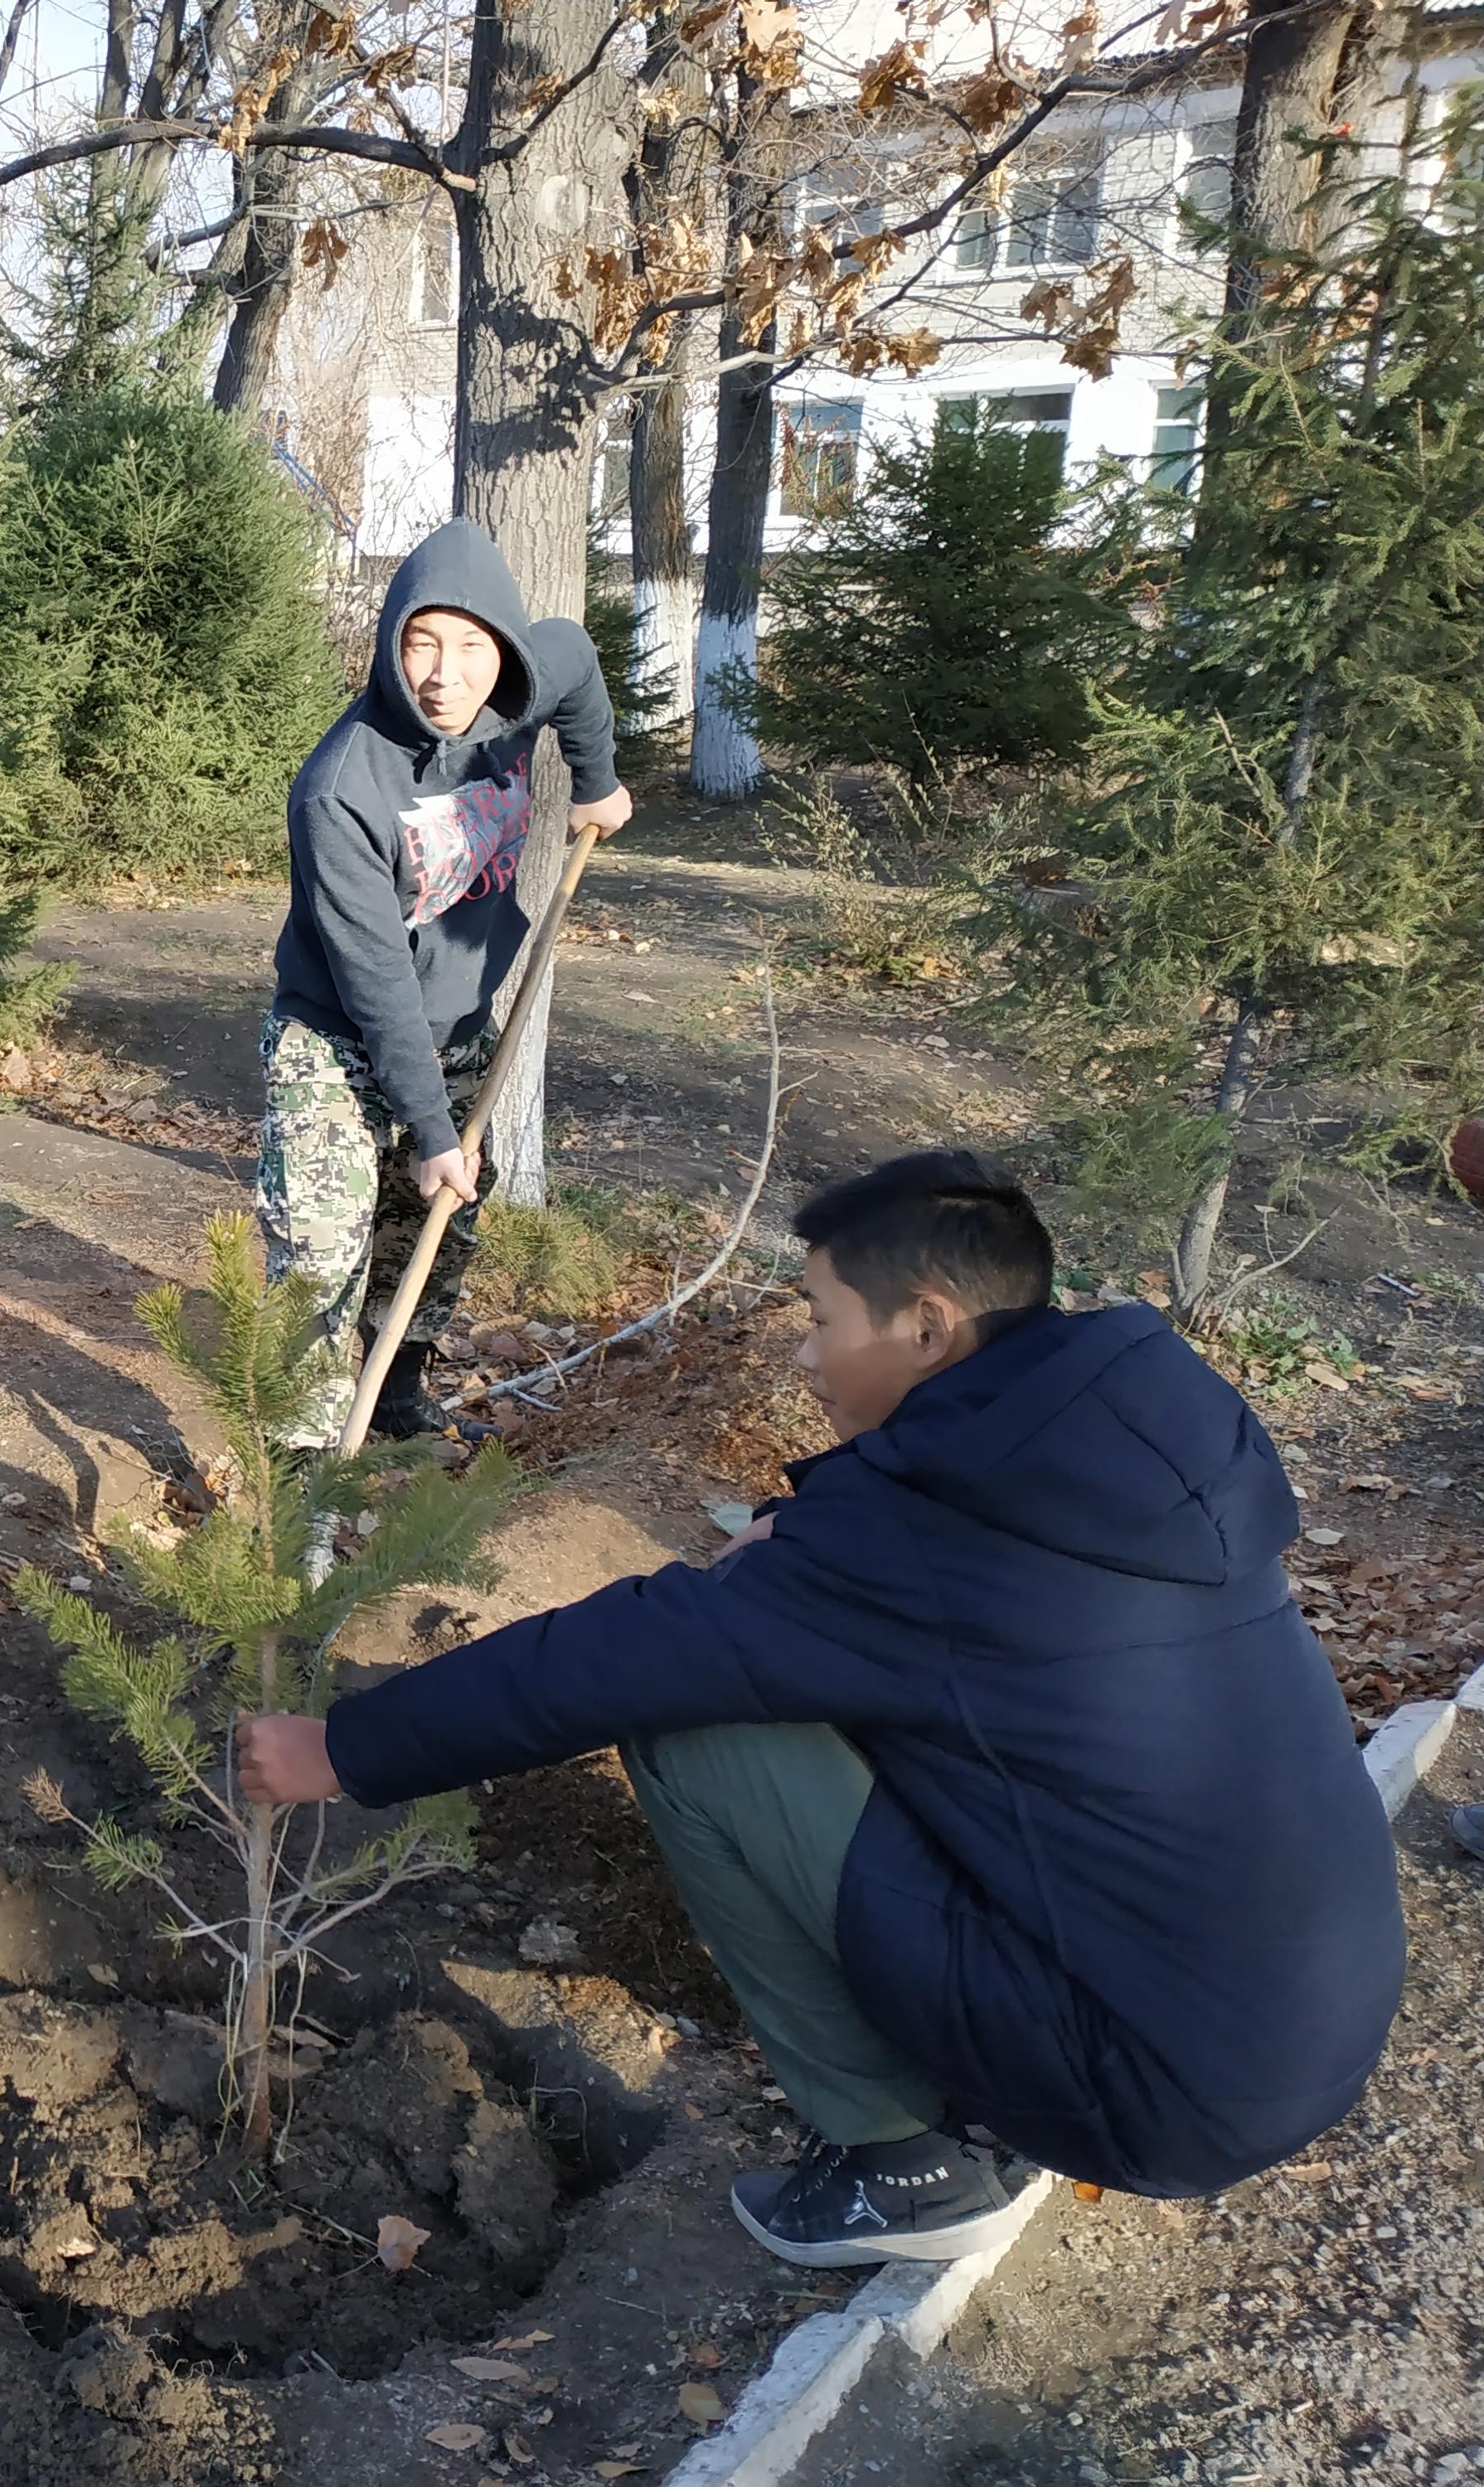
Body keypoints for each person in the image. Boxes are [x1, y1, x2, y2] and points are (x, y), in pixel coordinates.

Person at [237, 1151, 1406, 2262]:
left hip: (1148, 2090)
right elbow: (950, 1618)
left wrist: (346, 1747)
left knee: (699, 1737)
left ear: (929, 1324)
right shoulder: (1124, 1453)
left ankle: (908, 2164)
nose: (805, 1356)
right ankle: (986, 2075)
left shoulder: (920, 1548)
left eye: (821, 1318)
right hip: (1290, 2028)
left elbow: (629, 1654)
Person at [264, 518, 633, 1442]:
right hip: (336, 1035)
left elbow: (579, 659)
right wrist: (429, 1128)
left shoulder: (515, 686)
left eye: (470, 645)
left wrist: (596, 778)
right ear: (391, 643)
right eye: (421, 642)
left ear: (500, 646)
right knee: (322, 1244)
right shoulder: (339, 789)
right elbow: (374, 978)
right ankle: (300, 1454)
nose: (445, 674)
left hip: (461, 1020)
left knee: (439, 1224)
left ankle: (394, 1390)